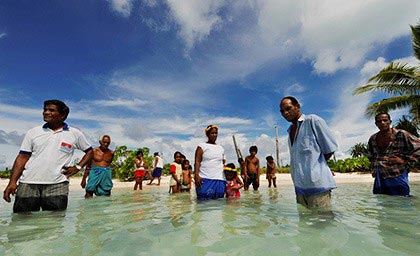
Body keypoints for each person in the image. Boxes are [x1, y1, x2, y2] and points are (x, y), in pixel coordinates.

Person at [2, 100, 93, 212]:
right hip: (28, 183)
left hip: (58, 185)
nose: (46, 112)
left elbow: (89, 151)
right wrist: (12, 182)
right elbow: (22, 158)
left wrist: (78, 167)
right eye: (45, 109)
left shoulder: (74, 133)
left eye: (51, 110)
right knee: (22, 221)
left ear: (63, 115)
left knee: (54, 223)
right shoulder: (33, 132)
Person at [279, 96, 338, 209]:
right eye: (282, 111)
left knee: (323, 223)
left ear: (297, 107)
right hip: (300, 188)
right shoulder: (290, 131)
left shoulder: (312, 121)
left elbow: (329, 148)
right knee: (304, 224)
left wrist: (314, 168)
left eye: (288, 108)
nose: (285, 113)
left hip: (318, 186)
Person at [367, 113, 420, 196]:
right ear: (376, 124)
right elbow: (371, 155)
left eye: (385, 120)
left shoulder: (401, 134)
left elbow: (418, 148)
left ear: (390, 122)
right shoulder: (373, 138)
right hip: (380, 177)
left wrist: (404, 160)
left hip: (397, 174)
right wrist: (374, 169)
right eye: (379, 121)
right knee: (383, 203)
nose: (382, 123)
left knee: (402, 201)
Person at [194, 125, 226, 200]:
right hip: (205, 178)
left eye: (216, 133)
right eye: (212, 133)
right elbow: (197, 162)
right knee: (203, 202)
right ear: (207, 134)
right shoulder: (202, 146)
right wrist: (196, 175)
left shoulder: (221, 148)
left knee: (219, 204)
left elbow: (223, 163)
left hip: (219, 179)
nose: (214, 135)